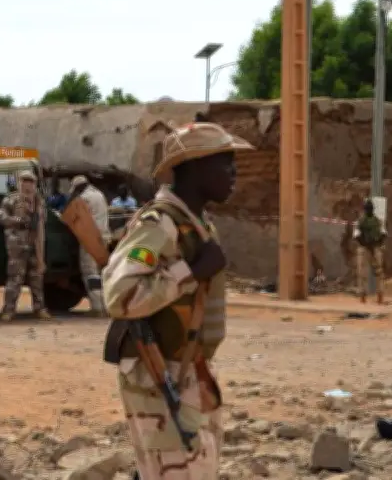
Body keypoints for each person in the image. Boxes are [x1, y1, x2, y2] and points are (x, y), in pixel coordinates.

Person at [102, 122, 254, 480]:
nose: (234, 173)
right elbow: (119, 297)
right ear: (196, 164)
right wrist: (192, 271)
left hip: (190, 369)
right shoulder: (159, 224)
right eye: (225, 162)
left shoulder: (196, 223)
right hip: (162, 372)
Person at [0, 170, 50, 322]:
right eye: (24, 181)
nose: (27, 185)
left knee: (37, 280)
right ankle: (9, 310)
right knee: (15, 279)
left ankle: (40, 308)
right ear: (19, 183)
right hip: (17, 246)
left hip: (35, 246)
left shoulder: (39, 201)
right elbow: (0, 217)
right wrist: (17, 220)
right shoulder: (11, 200)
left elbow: (42, 222)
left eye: (30, 181)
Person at [69, 175, 110, 314]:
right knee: (100, 273)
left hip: (90, 239)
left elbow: (72, 217)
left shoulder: (84, 199)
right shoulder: (99, 195)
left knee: (90, 272)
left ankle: (97, 308)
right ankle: (106, 305)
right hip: (104, 237)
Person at [354, 198, 387, 304]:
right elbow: (383, 234)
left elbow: (356, 236)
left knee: (366, 273)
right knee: (374, 273)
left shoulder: (362, 221)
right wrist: (374, 244)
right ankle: (376, 296)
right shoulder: (375, 220)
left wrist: (372, 244)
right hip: (369, 248)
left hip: (368, 248)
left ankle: (369, 296)